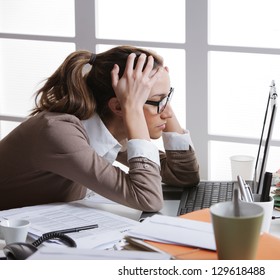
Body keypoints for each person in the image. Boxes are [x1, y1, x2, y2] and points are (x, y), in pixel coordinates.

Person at [0, 45, 200, 212]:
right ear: (119, 106)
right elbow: (148, 199)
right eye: (158, 102)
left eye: (168, 98)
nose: (167, 114)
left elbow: (183, 176)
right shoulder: (60, 133)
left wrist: (158, 94)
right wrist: (133, 109)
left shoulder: (108, 129)